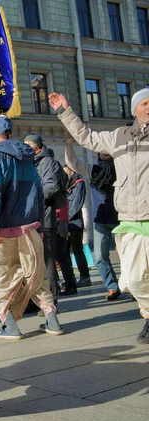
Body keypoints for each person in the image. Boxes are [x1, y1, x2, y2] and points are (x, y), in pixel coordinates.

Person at [49, 88, 149, 344]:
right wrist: (64, 111)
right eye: (144, 103)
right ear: (134, 109)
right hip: (129, 220)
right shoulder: (120, 136)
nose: (148, 107)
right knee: (136, 280)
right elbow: (87, 137)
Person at [0, 116, 63, 340]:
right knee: (36, 275)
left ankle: (10, 326)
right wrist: (37, 224)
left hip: (3, 229)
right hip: (29, 228)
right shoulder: (28, 157)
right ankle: (52, 320)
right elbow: (38, 192)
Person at [63, 138, 121, 300]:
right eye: (102, 150)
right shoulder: (93, 170)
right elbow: (73, 163)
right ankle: (112, 287)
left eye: (107, 150)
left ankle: (130, 286)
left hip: (121, 217)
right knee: (100, 257)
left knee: (126, 255)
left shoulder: (121, 167)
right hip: (100, 218)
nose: (105, 153)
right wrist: (69, 145)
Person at [24, 134, 68, 305]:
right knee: (34, 263)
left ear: (38, 148)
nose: (25, 148)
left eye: (28, 145)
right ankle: (36, 299)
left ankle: (51, 300)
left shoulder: (48, 162)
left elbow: (52, 188)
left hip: (46, 220)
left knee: (47, 261)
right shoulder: (30, 163)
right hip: (31, 219)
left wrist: (29, 196)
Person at [63, 164, 92, 287]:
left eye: (65, 173)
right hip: (64, 222)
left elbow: (76, 205)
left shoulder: (78, 183)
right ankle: (71, 279)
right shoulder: (66, 184)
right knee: (64, 251)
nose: (64, 176)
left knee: (77, 250)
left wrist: (65, 218)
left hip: (74, 223)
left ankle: (85, 277)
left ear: (71, 171)